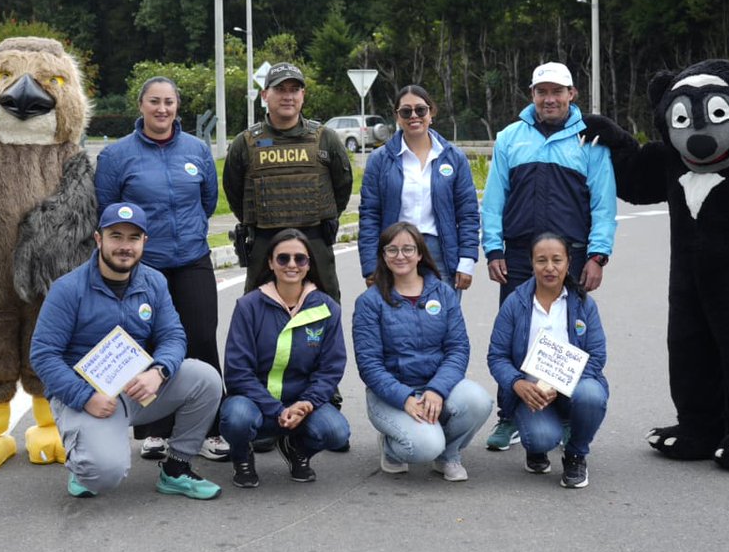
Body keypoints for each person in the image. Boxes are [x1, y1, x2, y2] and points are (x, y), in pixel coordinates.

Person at [29, 202, 223, 500]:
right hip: (89, 396)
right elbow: (43, 354)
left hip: (136, 389)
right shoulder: (68, 289)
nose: (124, 246)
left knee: (206, 378)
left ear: (144, 242)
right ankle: (83, 461)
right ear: (99, 239)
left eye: (133, 238)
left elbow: (172, 335)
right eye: (115, 236)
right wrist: (85, 397)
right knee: (101, 478)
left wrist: (159, 372)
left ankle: (176, 469)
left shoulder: (154, 281)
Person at [480, 61, 616, 452]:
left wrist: (598, 255)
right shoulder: (510, 137)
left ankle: (572, 414)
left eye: (558, 91)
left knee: (568, 336)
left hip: (569, 256)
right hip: (520, 256)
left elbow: (604, 204)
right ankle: (510, 416)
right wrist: (493, 249)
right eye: (542, 91)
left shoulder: (590, 141)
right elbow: (494, 199)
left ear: (572, 94)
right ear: (532, 95)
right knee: (514, 337)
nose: (550, 98)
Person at [94, 76, 228, 463]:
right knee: (145, 345)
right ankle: (154, 431)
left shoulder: (197, 150)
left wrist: (183, 235)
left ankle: (211, 428)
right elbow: (106, 209)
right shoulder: (118, 156)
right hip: (142, 268)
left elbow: (207, 201)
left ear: (177, 106)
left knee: (201, 339)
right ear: (141, 106)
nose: (162, 109)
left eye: (169, 102)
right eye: (154, 101)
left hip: (191, 260)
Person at [352, 222, 493, 482]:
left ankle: (448, 455)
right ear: (383, 256)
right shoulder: (369, 302)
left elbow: (458, 349)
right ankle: (391, 448)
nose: (400, 255)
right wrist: (404, 398)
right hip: (391, 394)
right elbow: (369, 365)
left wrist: (437, 389)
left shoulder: (444, 293)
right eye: (392, 250)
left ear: (420, 253)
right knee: (425, 445)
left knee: (478, 400)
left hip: (436, 386)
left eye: (408, 248)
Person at [220, 229, 350, 487]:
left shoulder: (327, 308)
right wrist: (276, 409)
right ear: (270, 262)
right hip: (254, 402)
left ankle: (297, 449)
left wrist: (307, 404)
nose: (292, 264)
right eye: (283, 258)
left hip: (301, 404)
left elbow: (330, 369)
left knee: (336, 432)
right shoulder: (248, 306)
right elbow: (238, 371)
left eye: (300, 259)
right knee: (236, 419)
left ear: (309, 264)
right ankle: (241, 455)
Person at [222, 61, 353, 303]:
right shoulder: (246, 143)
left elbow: (342, 187)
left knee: (326, 307)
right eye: (280, 89)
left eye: (294, 90)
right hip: (264, 239)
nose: (288, 96)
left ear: (302, 95)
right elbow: (233, 190)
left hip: (315, 237)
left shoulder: (325, 139)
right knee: (256, 310)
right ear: (265, 95)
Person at [486, 232, 608, 489]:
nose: (550, 268)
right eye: (541, 260)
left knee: (592, 394)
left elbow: (596, 357)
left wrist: (559, 383)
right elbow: (497, 356)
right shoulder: (515, 303)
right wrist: (517, 384)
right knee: (541, 438)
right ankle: (537, 446)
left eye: (557, 260)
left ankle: (576, 454)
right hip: (529, 394)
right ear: (532, 263)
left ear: (568, 262)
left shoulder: (584, 304)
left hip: (571, 388)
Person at [358, 85, 479, 293]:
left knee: (441, 321)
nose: (414, 116)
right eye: (406, 111)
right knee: (396, 321)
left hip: (441, 253)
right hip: (395, 254)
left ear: (431, 113)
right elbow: (369, 215)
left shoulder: (454, 157)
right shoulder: (380, 160)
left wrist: (467, 259)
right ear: (397, 117)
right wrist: (370, 266)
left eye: (420, 110)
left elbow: (468, 213)